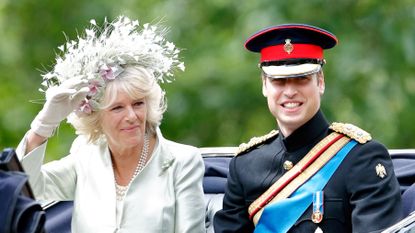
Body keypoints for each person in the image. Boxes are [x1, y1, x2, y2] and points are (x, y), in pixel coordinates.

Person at [15, 15, 206, 233]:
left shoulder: (182, 161)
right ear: (96, 117)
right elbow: (26, 189)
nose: (132, 116)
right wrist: (43, 125)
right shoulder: (85, 157)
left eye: (138, 104)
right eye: (117, 108)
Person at [214, 24, 403, 232]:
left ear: (320, 82)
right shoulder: (244, 166)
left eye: (302, 79)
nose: (290, 92)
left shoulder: (362, 158)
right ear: (264, 86)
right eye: (279, 81)